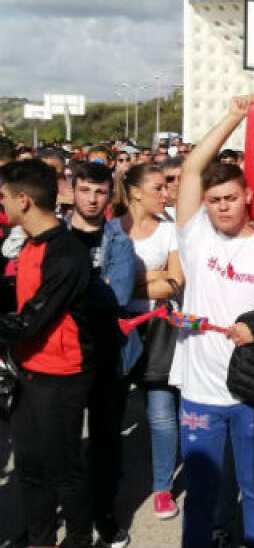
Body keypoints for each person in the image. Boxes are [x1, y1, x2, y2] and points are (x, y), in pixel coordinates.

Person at [173, 97, 254, 548]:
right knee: (203, 495)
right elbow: (192, 170)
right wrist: (234, 116)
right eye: (213, 201)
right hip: (200, 392)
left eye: (230, 198)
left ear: (247, 196)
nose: (222, 208)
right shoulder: (195, 237)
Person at [0, 160, 99, 548]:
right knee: (30, 464)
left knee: (64, 467)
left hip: (63, 377)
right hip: (29, 370)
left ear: (23, 200)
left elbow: (29, 323)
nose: (2, 204)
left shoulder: (67, 253)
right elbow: (17, 300)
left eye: (5, 197)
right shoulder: (29, 242)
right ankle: (40, 537)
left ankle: (77, 539)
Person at [64, 162, 136, 547]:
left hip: (109, 356)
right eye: (85, 190)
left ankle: (103, 514)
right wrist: (94, 288)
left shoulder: (120, 241)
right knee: (64, 440)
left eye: (100, 192)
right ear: (72, 191)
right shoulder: (54, 236)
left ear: (111, 196)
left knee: (106, 440)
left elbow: (119, 296)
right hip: (62, 358)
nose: (92, 199)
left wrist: (71, 293)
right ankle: (68, 513)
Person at [116, 163, 185, 520]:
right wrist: (153, 276)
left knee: (161, 414)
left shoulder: (170, 231)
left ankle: (162, 488)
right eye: (158, 187)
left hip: (159, 331)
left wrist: (136, 280)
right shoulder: (112, 230)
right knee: (109, 414)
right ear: (136, 192)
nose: (166, 192)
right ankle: (108, 484)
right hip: (117, 332)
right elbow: (110, 288)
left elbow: (176, 282)